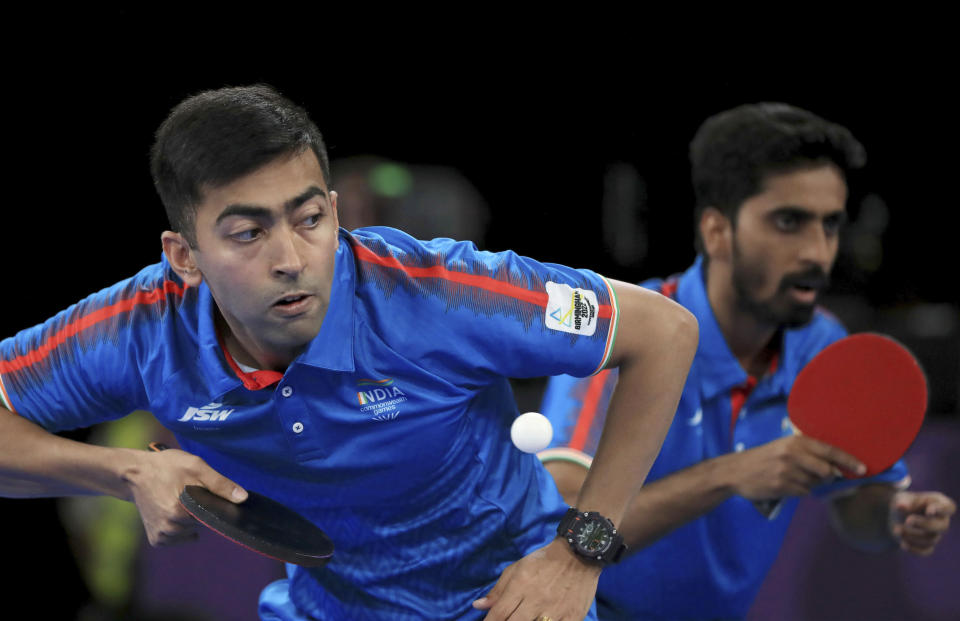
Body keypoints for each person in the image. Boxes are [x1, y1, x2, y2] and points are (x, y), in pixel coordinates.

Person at [0, 84, 698, 621]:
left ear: (336, 210)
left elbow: (664, 332)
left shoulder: (438, 293)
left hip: (508, 601)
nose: (291, 258)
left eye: (309, 219)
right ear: (184, 255)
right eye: (247, 233)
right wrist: (120, 471)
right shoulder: (142, 327)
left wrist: (581, 552)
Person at [539, 102, 956, 620]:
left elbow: (855, 502)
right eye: (789, 222)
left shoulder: (821, 346)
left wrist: (894, 516)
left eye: (830, 225)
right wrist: (728, 476)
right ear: (717, 231)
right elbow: (563, 527)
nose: (818, 253)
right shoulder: (621, 332)